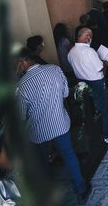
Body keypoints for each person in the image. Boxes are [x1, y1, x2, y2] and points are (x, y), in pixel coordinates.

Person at [15, 48, 91, 201]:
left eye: (18, 64)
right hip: (59, 123)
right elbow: (65, 93)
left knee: (42, 164)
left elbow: (22, 115)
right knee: (69, 155)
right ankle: (81, 189)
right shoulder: (54, 69)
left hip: (37, 131)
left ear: (22, 62)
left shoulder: (22, 85)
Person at [68, 28, 108, 145]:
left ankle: (97, 135)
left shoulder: (71, 52)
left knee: (91, 110)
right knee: (104, 109)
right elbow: (100, 68)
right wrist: (105, 62)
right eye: (90, 36)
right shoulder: (90, 51)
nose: (91, 39)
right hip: (96, 82)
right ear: (87, 36)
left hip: (82, 83)